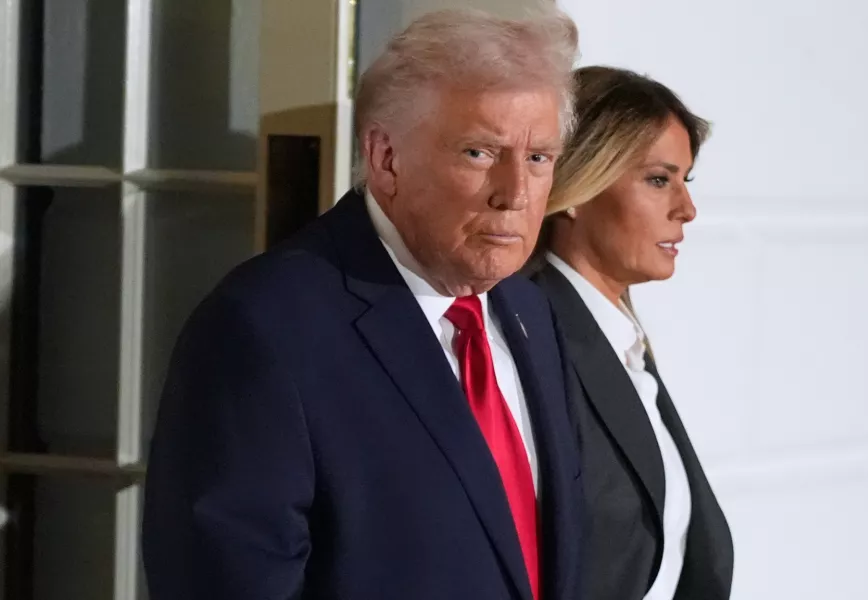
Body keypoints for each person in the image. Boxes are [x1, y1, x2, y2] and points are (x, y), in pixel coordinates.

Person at [142, 9, 582, 600]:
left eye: (538, 157)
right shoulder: (265, 327)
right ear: (385, 158)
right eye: (480, 152)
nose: (516, 194)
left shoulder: (531, 310)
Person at [529, 67, 734, 600]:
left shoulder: (619, 340)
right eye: (659, 180)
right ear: (577, 187)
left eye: (685, 181)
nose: (687, 210)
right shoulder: (530, 342)